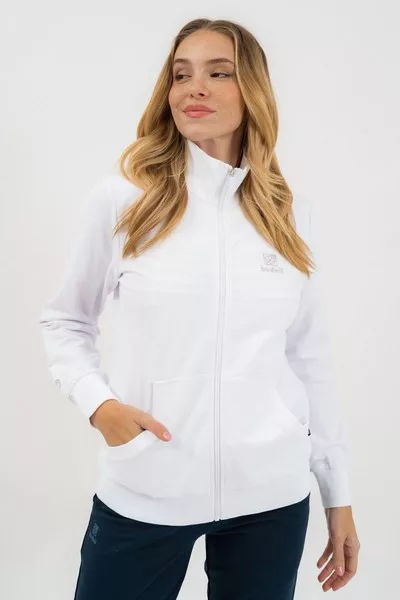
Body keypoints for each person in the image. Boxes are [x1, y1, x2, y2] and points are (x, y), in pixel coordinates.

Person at [39, 17, 360, 600]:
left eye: (219, 73)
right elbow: (67, 321)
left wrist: (337, 494)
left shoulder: (289, 214)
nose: (195, 88)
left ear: (253, 90)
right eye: (181, 75)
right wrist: (100, 406)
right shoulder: (125, 200)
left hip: (271, 496)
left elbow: (309, 358)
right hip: (147, 488)